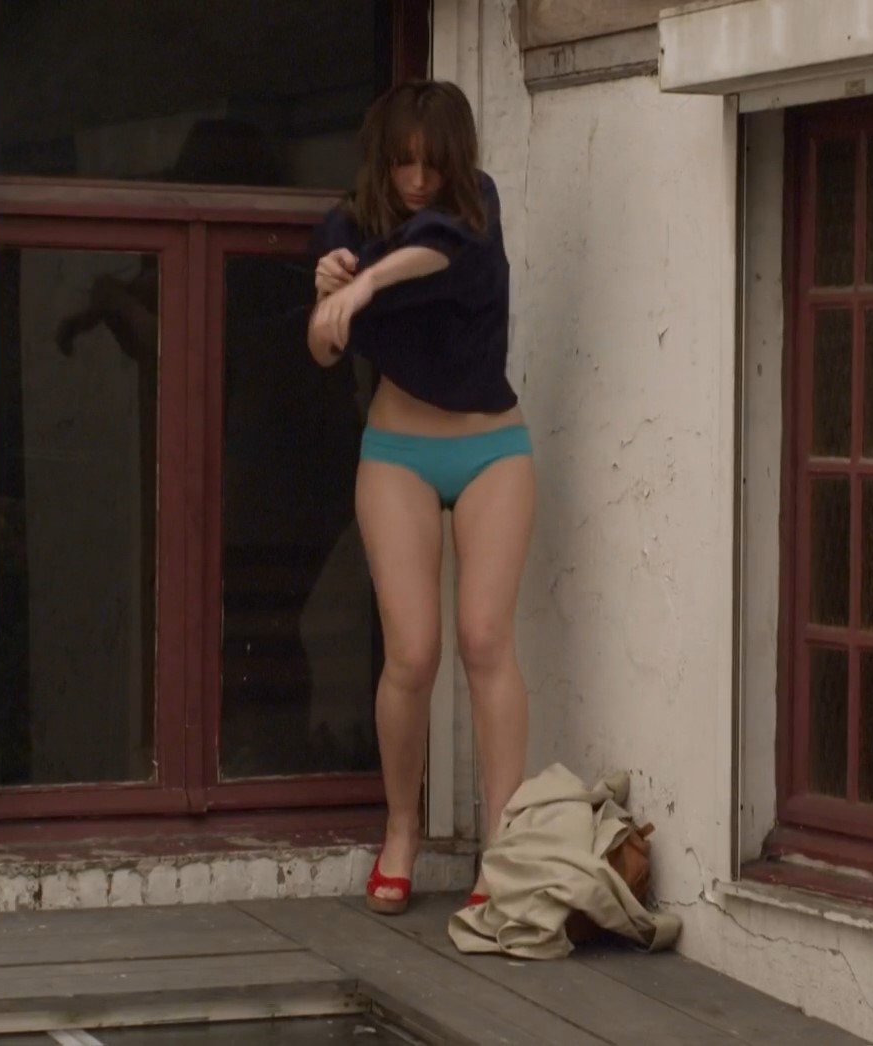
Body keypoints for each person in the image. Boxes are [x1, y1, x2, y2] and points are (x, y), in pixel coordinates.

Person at [307, 81, 532, 916]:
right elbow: (323, 350)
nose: (416, 180)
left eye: (431, 163)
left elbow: (433, 251)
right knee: (411, 653)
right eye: (403, 162)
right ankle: (401, 829)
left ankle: (502, 847)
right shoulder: (347, 225)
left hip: (491, 447)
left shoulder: (474, 208)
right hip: (398, 450)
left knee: (485, 639)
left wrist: (365, 284)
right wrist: (329, 293)